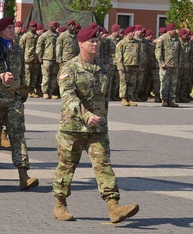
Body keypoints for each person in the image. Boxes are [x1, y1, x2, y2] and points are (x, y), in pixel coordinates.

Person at [53, 24, 139, 223]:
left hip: (97, 128)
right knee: (66, 167)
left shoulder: (103, 68)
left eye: (97, 40)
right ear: (80, 43)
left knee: (103, 165)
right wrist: (85, 115)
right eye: (91, 41)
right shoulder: (69, 68)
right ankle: (60, 205)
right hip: (72, 128)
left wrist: (99, 119)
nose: (95, 44)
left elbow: (104, 98)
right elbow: (68, 97)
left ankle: (113, 206)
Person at [0, 17, 39, 190]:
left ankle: (23, 174)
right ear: (1, 30)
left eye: (13, 27)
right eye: (9, 27)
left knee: (18, 135)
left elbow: (22, 74)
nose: (13, 30)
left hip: (13, 99)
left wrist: (22, 94)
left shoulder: (18, 49)